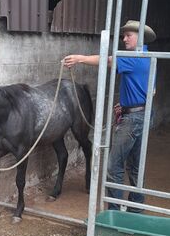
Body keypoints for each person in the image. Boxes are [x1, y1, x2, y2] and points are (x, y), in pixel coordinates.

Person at [64, 20, 156, 211]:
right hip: (142, 114)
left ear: (140, 37)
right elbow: (151, 91)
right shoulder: (149, 57)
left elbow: (107, 60)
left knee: (113, 167)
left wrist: (79, 58)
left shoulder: (135, 57)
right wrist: (127, 105)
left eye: (128, 35)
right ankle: (135, 211)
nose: (124, 39)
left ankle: (114, 213)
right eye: (123, 36)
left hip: (132, 121)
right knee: (136, 168)